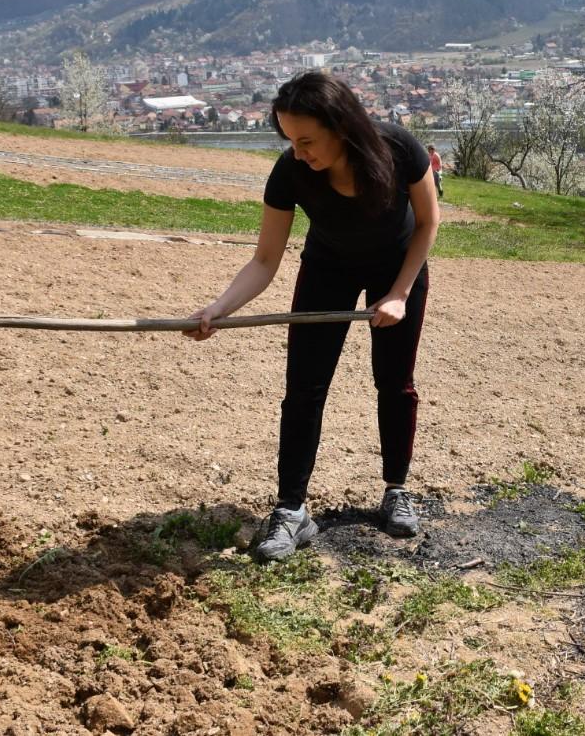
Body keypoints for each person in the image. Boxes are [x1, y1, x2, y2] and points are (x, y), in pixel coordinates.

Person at [185, 72, 440, 562]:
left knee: (395, 382)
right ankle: (292, 512)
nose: (298, 152)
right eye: (289, 140)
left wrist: (400, 293)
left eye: (307, 140)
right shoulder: (290, 172)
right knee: (304, 390)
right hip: (327, 268)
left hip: (398, 266)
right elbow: (263, 261)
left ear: (341, 127)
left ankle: (395, 489)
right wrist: (217, 309)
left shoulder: (398, 148)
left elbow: (429, 223)